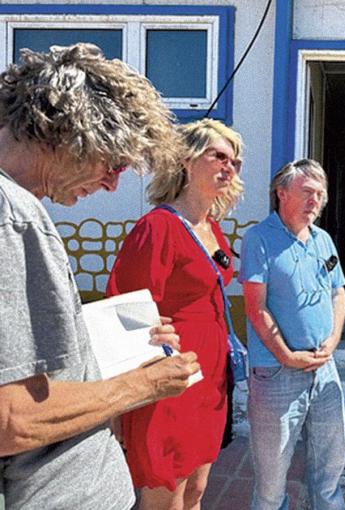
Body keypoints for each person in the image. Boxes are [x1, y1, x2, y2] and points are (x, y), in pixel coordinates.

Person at [0, 43, 200, 510]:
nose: (112, 184)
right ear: (67, 134)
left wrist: (114, 344)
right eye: (112, 165)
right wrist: (144, 385)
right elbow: (12, 419)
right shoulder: (15, 216)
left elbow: (21, 358)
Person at [106, 119, 244, 509]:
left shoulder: (212, 228)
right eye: (217, 156)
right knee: (165, 494)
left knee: (197, 489)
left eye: (234, 160)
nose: (228, 166)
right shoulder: (158, 227)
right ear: (186, 161)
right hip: (170, 378)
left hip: (212, 378)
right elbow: (125, 306)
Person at [239, 159, 345, 510]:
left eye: (320, 193)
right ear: (281, 193)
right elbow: (255, 309)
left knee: (329, 472)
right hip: (276, 373)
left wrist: (332, 342)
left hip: (323, 368)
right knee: (271, 485)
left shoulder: (323, 240)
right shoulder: (259, 239)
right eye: (306, 192)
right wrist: (287, 355)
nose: (315, 200)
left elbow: (337, 293)